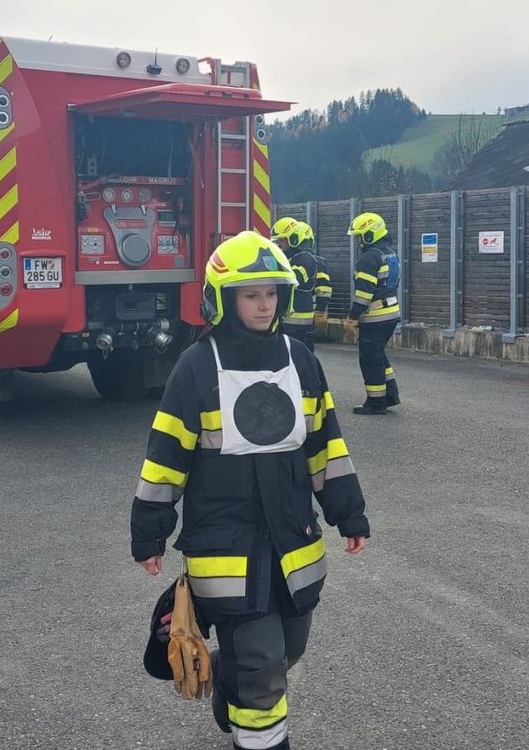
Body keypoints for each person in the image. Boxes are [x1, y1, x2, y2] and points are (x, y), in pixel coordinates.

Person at [131, 230, 369, 750]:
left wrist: (348, 514)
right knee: (263, 666)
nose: (265, 306)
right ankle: (260, 737)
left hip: (294, 542)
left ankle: (229, 677)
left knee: (287, 648)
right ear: (224, 299)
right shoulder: (196, 367)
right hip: (225, 548)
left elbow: (325, 444)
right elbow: (165, 459)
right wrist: (149, 534)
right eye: (251, 295)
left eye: (271, 294)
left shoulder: (299, 359)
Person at [344, 212, 401, 415]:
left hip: (375, 317)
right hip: (391, 313)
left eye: (360, 236)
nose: (358, 241)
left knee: (369, 359)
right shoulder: (389, 253)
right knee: (379, 356)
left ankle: (376, 403)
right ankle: (390, 395)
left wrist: (352, 318)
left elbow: (363, 294)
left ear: (370, 235)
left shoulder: (369, 258)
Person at [270, 217, 319, 352]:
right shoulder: (288, 258)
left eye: (282, 239)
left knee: (300, 359)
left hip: (299, 322)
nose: (279, 243)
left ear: (294, 239)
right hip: (287, 320)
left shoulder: (306, 258)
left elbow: (293, 280)